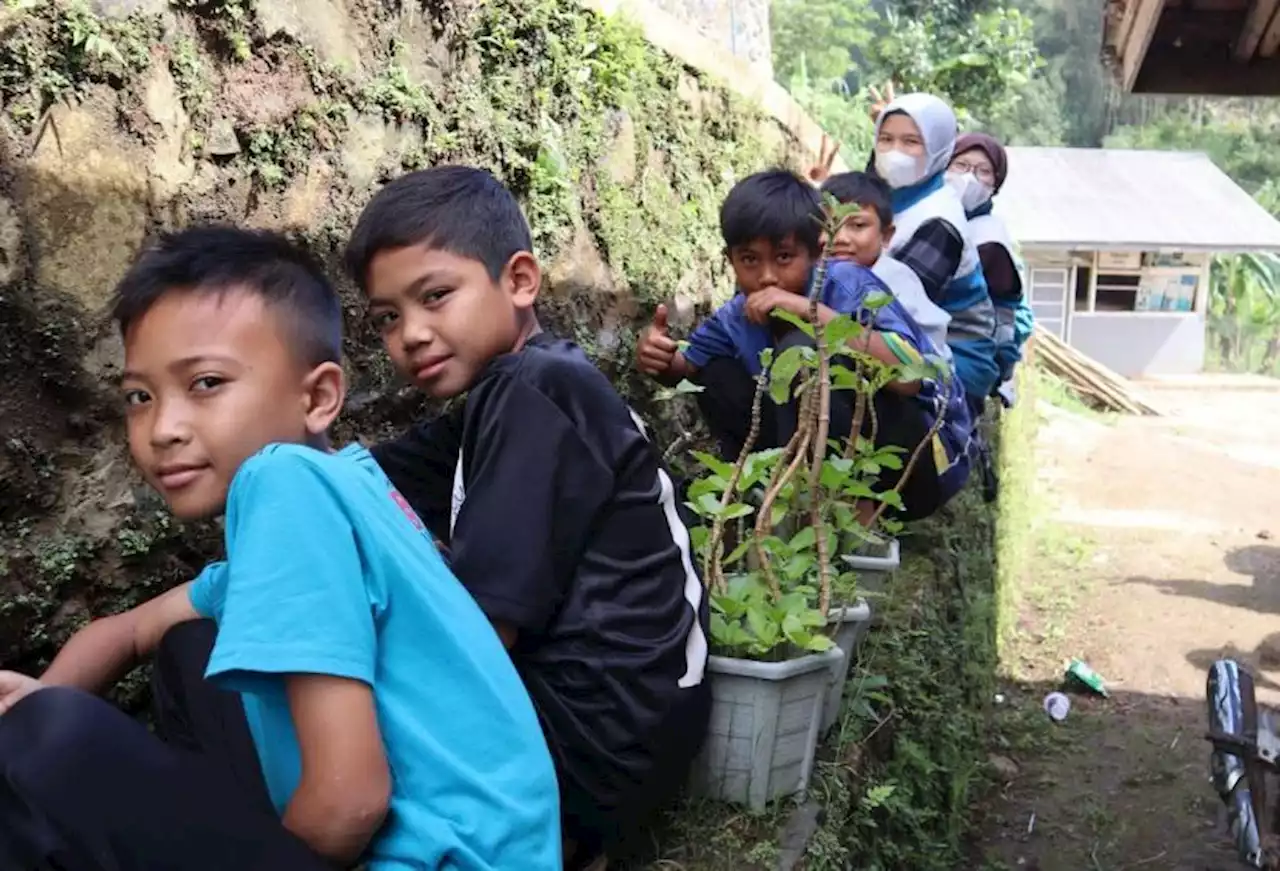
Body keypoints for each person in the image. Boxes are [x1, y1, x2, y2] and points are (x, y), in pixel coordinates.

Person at [0, 227, 562, 871]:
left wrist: (33, 728)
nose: (163, 428)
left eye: (206, 383)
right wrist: (34, 692)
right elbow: (129, 631)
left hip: (438, 858)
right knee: (190, 651)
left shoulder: (281, 482)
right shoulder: (344, 487)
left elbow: (350, 801)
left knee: (51, 745)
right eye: (139, 397)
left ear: (318, 397)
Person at [347, 166, 711, 871]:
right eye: (387, 317)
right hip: (630, 736)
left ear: (518, 281)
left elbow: (481, 633)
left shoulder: (534, 388)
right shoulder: (504, 396)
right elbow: (361, 483)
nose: (411, 335)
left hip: (593, 751)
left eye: (435, 296)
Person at [635, 168, 971, 524]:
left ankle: (850, 515)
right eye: (750, 260)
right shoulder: (737, 315)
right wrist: (661, 358)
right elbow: (687, 367)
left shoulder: (847, 285)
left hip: (916, 465)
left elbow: (909, 378)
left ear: (816, 253)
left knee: (802, 348)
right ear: (730, 259)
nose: (767, 276)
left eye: (783, 258)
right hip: (809, 453)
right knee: (716, 373)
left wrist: (812, 314)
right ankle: (760, 495)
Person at [868, 92, 1000, 420]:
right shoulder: (896, 196)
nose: (895, 152)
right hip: (910, 343)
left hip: (957, 364)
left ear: (939, 149)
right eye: (886, 139)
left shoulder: (939, 221)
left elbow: (891, 310)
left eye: (911, 142)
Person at [819, 170, 952, 365]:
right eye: (828, 224)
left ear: (887, 235)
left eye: (857, 225)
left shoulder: (895, 280)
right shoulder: (818, 270)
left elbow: (911, 357)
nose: (840, 238)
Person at [947, 132, 1035, 405]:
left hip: (968, 362)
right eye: (961, 165)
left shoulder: (988, 238)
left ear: (995, 184)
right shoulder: (942, 218)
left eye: (983, 171)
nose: (969, 177)